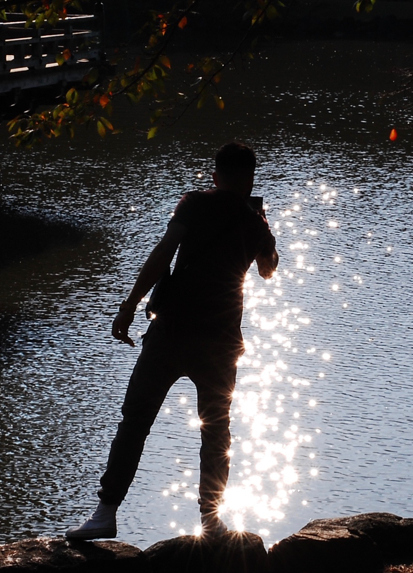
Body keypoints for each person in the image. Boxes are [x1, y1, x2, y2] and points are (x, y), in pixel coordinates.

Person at [65, 141, 279, 541]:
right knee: (216, 431)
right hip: (219, 342)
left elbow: (164, 252)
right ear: (250, 180)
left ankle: (105, 512)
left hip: (170, 332)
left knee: (135, 422)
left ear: (215, 176)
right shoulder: (253, 221)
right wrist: (264, 224)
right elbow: (268, 270)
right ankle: (211, 522)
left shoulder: (195, 203)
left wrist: (130, 304)